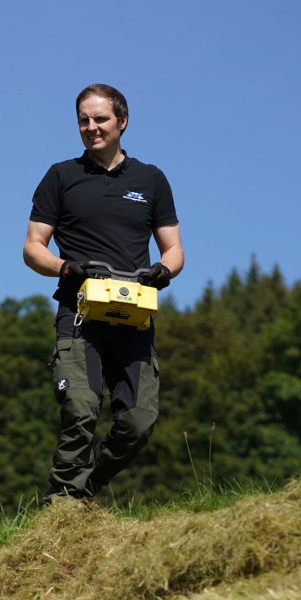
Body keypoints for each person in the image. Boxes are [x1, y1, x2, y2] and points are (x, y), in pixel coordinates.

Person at [23, 83, 183, 503]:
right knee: (79, 409)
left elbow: (174, 248)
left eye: (100, 119)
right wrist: (67, 267)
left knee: (139, 423)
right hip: (79, 316)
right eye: (83, 120)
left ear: (122, 122)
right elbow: (32, 248)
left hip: (134, 316)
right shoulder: (61, 176)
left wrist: (163, 271)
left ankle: (85, 488)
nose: (91, 128)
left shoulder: (151, 180)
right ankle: (61, 506)